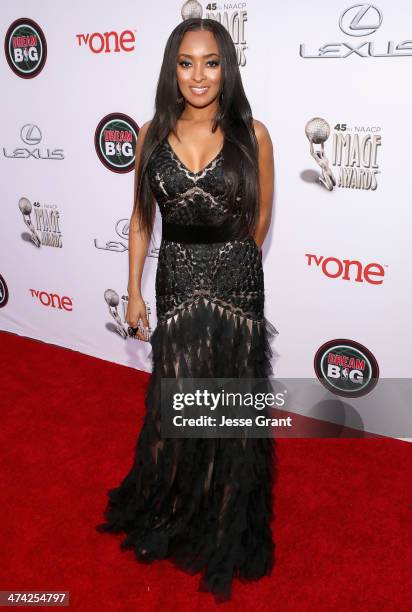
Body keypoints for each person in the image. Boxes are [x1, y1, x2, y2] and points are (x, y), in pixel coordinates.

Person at [96, 17, 279, 602]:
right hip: (175, 284)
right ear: (172, 71)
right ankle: (175, 504)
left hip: (235, 289)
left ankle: (225, 521)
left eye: (210, 62)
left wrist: (229, 277)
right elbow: (143, 219)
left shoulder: (254, 133)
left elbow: (259, 224)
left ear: (226, 67)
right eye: (186, 62)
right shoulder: (150, 133)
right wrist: (133, 289)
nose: (198, 75)